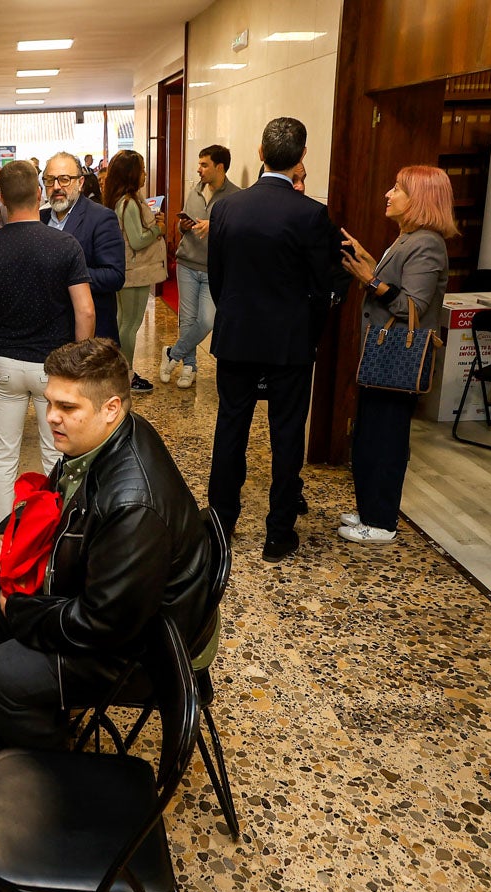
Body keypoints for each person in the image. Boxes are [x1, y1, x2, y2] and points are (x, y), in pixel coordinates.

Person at [0, 338, 213, 755]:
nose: (51, 418)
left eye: (67, 408)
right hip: (119, 604)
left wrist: (25, 614)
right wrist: (9, 529)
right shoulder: (101, 438)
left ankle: (43, 777)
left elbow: (105, 627)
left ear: (111, 408)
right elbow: (56, 496)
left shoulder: (133, 504)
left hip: (145, 647)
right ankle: (35, 708)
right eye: (50, 403)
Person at [206, 116, 347, 563]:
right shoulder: (310, 214)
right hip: (289, 341)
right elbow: (321, 285)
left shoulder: (227, 207)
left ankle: (220, 522)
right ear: (302, 157)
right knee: (287, 434)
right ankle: (278, 531)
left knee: (231, 427)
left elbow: (217, 278)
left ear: (260, 153)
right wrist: (312, 335)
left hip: (237, 335)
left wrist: (234, 314)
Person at [0, 159, 95, 524]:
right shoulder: (65, 244)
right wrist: (79, 362)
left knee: (4, 455)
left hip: (5, 364)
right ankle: (56, 532)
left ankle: (4, 533)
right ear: (39, 193)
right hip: (56, 366)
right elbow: (86, 311)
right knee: (56, 453)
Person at [339, 166, 459, 544]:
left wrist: (370, 279)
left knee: (386, 439)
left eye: (398, 189)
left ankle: (382, 522)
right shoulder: (409, 237)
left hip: (398, 358)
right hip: (382, 353)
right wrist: (370, 262)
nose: (388, 194)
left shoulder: (427, 243)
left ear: (420, 199)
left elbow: (414, 305)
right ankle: (371, 509)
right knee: (370, 434)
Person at [160, 144, 240, 390]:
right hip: (186, 263)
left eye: (204, 165)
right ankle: (190, 366)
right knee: (188, 319)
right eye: (199, 164)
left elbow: (239, 234)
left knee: (206, 320)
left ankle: (173, 353)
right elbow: (181, 228)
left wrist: (214, 227)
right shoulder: (194, 191)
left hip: (213, 269)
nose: (199, 169)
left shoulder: (236, 197)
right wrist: (184, 226)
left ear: (220, 167)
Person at [39, 151, 126, 342]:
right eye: (49, 180)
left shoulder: (101, 218)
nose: (56, 187)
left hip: (91, 335)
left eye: (64, 179)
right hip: (48, 335)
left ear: (80, 183)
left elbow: (115, 276)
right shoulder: (40, 219)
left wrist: (67, 275)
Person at [104, 149, 167, 394]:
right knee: (129, 325)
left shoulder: (125, 199)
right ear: (131, 174)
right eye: (141, 169)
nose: (144, 174)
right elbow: (138, 240)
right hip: (135, 271)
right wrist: (158, 230)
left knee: (123, 322)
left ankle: (120, 370)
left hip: (130, 270)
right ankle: (126, 374)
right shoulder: (128, 202)